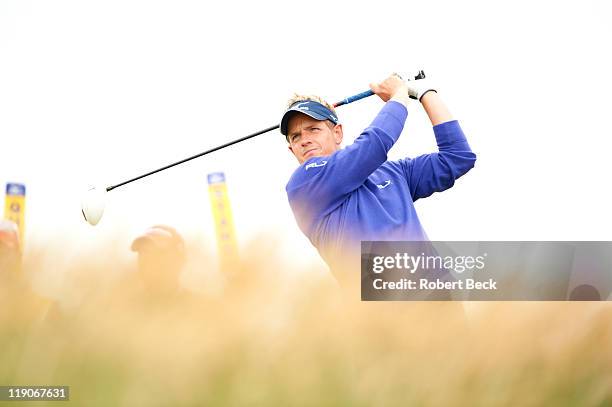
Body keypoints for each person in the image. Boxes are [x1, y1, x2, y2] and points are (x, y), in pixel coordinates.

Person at [281, 73, 477, 286]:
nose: (305, 140)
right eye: (296, 136)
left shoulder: (393, 172)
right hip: (381, 309)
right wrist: (399, 96)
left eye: (313, 129)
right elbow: (373, 145)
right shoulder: (303, 183)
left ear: (337, 133)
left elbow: (457, 157)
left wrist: (425, 93)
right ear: (292, 150)